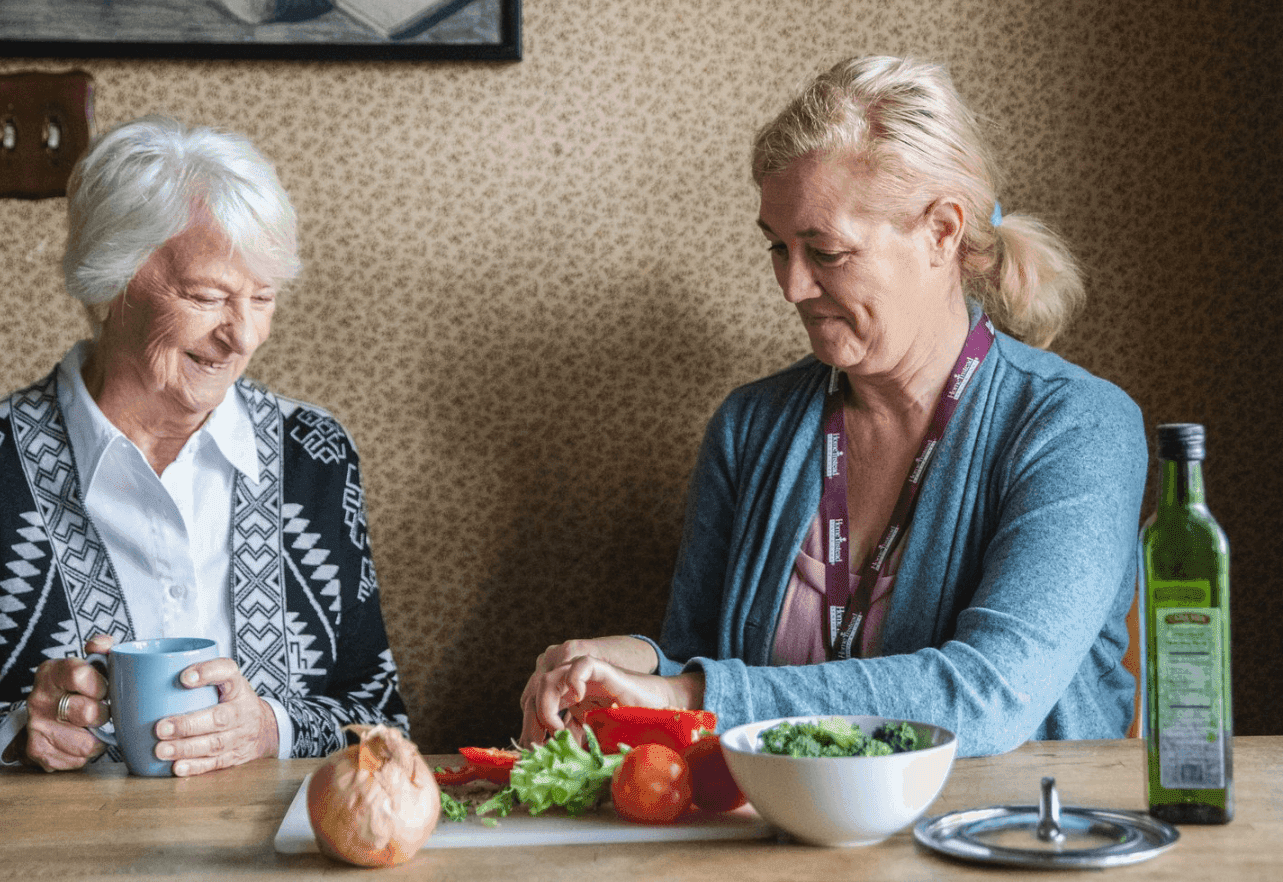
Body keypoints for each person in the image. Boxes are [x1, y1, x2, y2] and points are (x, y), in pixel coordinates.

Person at [519, 56, 1147, 757]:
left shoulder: (1079, 426)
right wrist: (626, 666)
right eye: (777, 247)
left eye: (826, 251)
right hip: (784, 824)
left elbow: (990, 696)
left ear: (942, 232)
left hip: (1011, 823)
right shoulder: (750, 427)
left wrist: (686, 695)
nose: (792, 286)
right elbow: (700, 660)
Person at [0, 116, 407, 773]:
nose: (241, 336)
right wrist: (18, 731)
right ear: (111, 283)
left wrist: (271, 730)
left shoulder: (314, 454)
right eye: (208, 297)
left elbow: (382, 722)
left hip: (272, 842)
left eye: (262, 298)